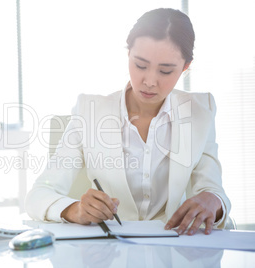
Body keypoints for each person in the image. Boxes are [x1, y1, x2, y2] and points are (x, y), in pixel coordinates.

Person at [25, 8, 231, 236]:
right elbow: (38, 195)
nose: (150, 81)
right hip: (107, 248)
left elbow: (212, 190)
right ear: (128, 55)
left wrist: (214, 200)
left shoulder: (201, 112)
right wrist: (74, 210)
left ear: (185, 67)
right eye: (140, 65)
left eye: (165, 71)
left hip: (173, 246)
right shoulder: (89, 112)